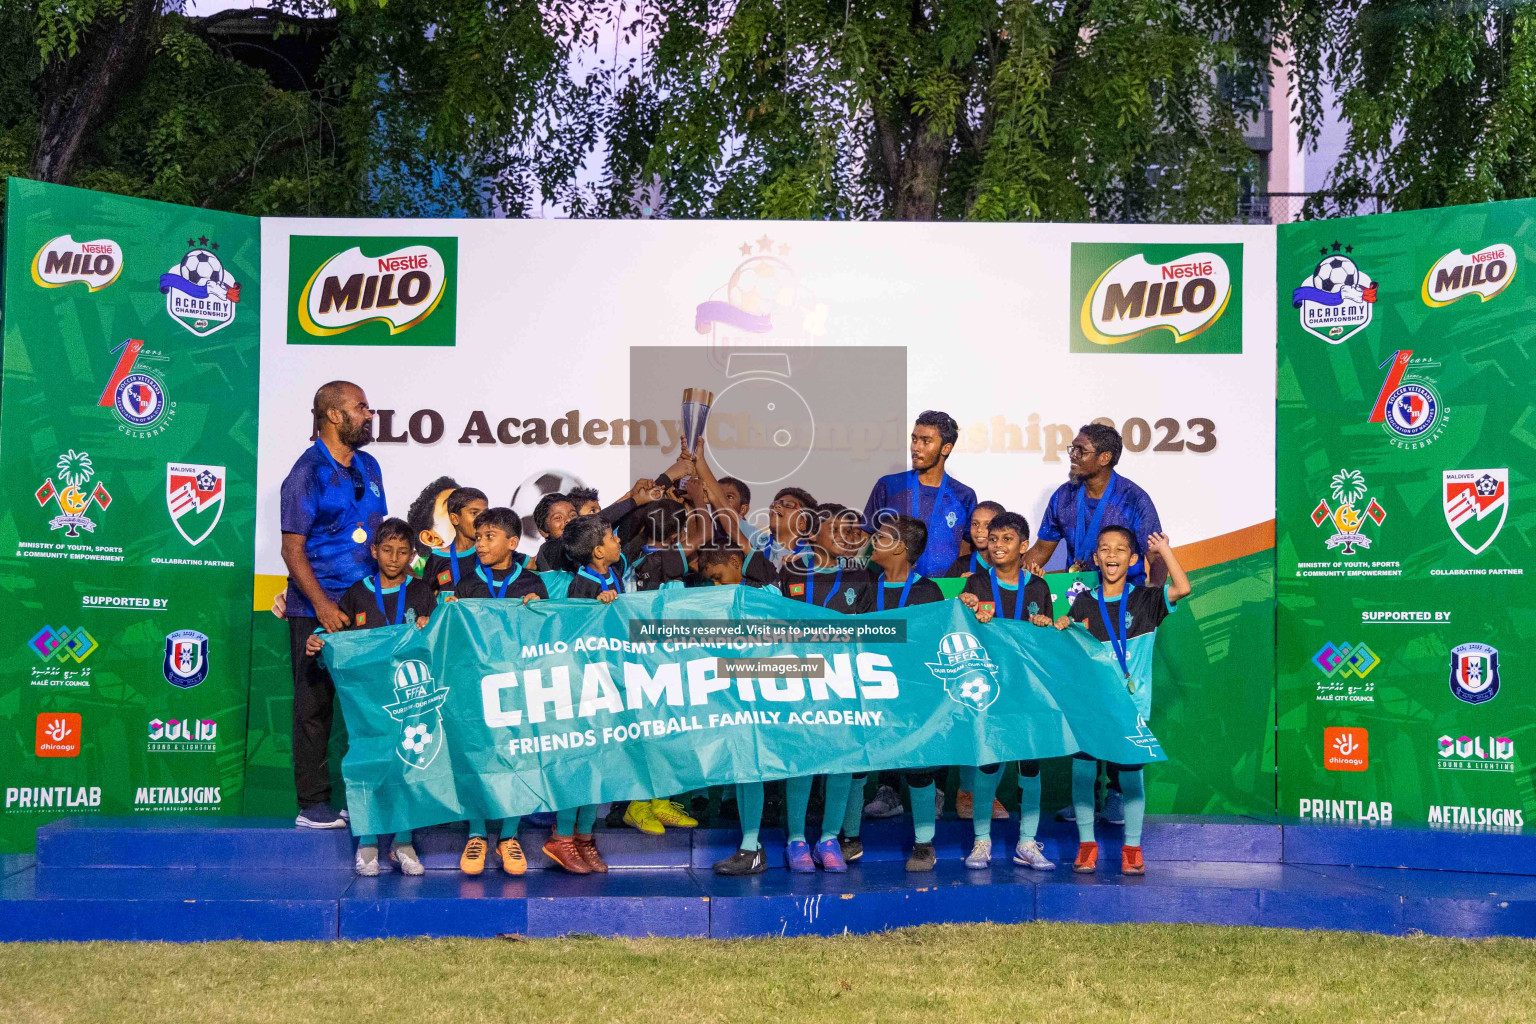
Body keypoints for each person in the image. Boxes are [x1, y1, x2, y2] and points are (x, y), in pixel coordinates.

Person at [1022, 422, 1164, 826]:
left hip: (1124, 611)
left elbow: (1153, 556)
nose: (1072, 454)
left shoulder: (1134, 499)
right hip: (1082, 607)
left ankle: (1118, 793)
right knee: (1086, 698)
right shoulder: (1064, 497)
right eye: (1072, 448)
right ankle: (1086, 796)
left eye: (1079, 449)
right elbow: (1042, 551)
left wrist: (1150, 608)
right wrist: (1006, 570)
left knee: (1119, 699)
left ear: (1104, 458)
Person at [280, 380, 388, 830]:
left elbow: (382, 539)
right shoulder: (306, 473)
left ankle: (365, 798)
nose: (370, 414)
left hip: (368, 606)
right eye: (361, 407)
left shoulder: (370, 464)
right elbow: (292, 549)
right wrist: (322, 604)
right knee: (314, 709)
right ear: (333, 416)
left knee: (372, 707)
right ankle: (313, 805)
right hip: (318, 610)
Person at [1057, 527, 1190, 875]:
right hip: (1090, 708)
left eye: (1120, 550)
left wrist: (1163, 551)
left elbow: (1183, 588)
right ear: (1097, 558)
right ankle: (1087, 846)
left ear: (1132, 559)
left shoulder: (1146, 599)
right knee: (1084, 776)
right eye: (1104, 549)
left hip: (1131, 709)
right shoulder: (1084, 601)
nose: (1111, 555)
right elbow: (1071, 651)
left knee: (1130, 780)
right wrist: (1061, 625)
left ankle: (1132, 848)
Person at [304, 517, 432, 876]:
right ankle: (369, 843)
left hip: (410, 695)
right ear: (374, 551)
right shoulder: (357, 592)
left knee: (410, 765)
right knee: (367, 764)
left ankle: (403, 842)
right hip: (369, 702)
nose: (394, 558)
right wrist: (317, 638)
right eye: (387, 550)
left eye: (402, 552)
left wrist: (429, 625)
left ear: (412, 555)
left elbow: (439, 638)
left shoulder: (422, 592)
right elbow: (337, 630)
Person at [445, 506, 548, 876]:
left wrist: (540, 613)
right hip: (475, 687)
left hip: (517, 688)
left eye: (489, 537)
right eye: (478, 538)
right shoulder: (468, 584)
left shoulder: (531, 586)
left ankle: (508, 835)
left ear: (513, 542)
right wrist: (450, 615)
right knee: (477, 755)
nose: (481, 544)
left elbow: (546, 640)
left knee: (516, 757)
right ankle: (476, 834)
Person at [776, 504, 875, 873]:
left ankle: (830, 838)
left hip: (844, 681)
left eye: (851, 531)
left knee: (843, 759)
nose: (847, 537)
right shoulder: (790, 569)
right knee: (802, 759)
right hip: (800, 680)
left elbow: (868, 632)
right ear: (813, 532)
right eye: (838, 529)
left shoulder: (860, 576)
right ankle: (796, 840)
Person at [849, 514, 947, 872]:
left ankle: (924, 845)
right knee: (857, 765)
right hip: (867, 689)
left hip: (912, 693)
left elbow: (931, 642)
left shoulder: (928, 592)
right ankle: (849, 838)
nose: (873, 539)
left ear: (901, 548)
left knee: (919, 769)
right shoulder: (865, 586)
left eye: (882, 536)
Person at [958, 511, 1055, 870]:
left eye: (1007, 539)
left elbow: (1046, 643)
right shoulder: (977, 585)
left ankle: (1027, 842)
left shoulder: (1038, 587)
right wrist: (967, 610)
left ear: (1024, 546)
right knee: (989, 764)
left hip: (1027, 689)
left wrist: (1045, 625)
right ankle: (981, 841)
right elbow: (962, 637)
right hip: (990, 691)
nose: (998, 545)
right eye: (993, 539)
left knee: (1029, 766)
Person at [699, 545, 782, 877]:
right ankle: (751, 847)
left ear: (737, 563)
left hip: (768, 694)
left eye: (719, 578)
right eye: (712, 583)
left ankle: (756, 847)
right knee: (746, 768)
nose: (717, 587)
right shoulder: (716, 604)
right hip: (736, 696)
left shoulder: (768, 592)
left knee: (754, 768)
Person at [862, 411, 978, 579]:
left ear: (946, 448)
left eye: (926, 441)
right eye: (914, 439)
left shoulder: (964, 496)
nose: (916, 448)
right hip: (892, 590)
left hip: (943, 593)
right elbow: (864, 537)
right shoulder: (889, 486)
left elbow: (965, 549)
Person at [424, 486, 493, 595]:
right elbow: (425, 600)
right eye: (474, 513)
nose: (482, 519)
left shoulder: (494, 552)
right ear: (455, 519)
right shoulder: (437, 558)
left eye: (485, 513)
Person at [944, 501, 1004, 578]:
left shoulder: (1013, 565)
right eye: (975, 524)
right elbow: (947, 589)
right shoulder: (960, 565)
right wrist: (959, 585)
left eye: (987, 525)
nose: (979, 529)